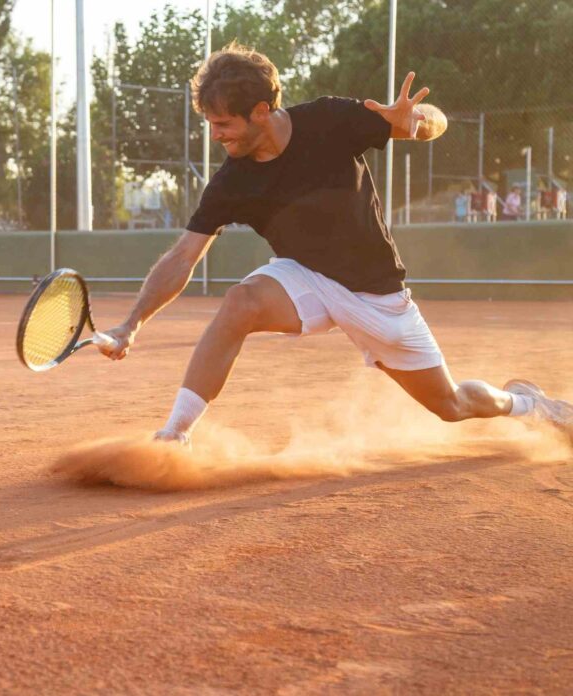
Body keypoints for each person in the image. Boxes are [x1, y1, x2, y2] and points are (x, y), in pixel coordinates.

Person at [95, 42, 572, 446]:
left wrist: (415, 121)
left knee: (451, 404)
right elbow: (183, 256)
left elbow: (432, 122)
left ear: (261, 111)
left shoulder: (328, 120)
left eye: (222, 124)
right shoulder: (231, 182)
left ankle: (531, 404)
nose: (215, 135)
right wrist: (132, 323)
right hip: (305, 276)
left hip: (376, 294)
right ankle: (174, 437)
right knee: (240, 303)